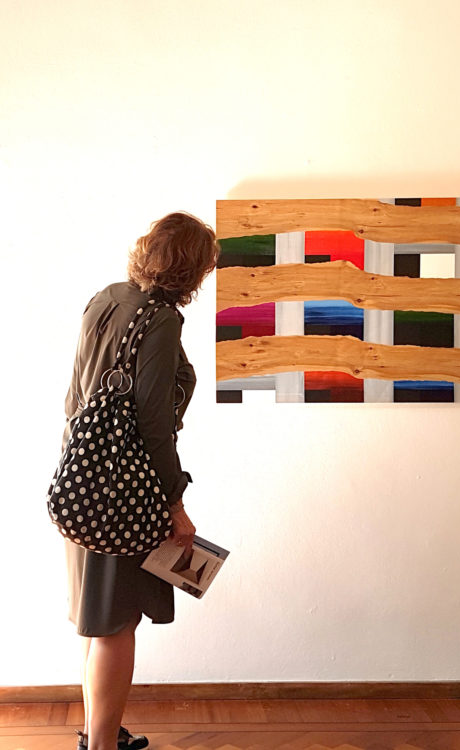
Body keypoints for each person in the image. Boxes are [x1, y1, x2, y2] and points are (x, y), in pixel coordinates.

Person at [60, 212, 219, 750]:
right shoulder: (161, 320)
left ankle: (97, 733)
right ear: (192, 269)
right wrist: (175, 503)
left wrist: (82, 466)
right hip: (121, 490)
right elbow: (152, 424)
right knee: (116, 622)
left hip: (81, 479)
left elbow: (74, 397)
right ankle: (102, 746)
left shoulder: (106, 298)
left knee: (97, 617)